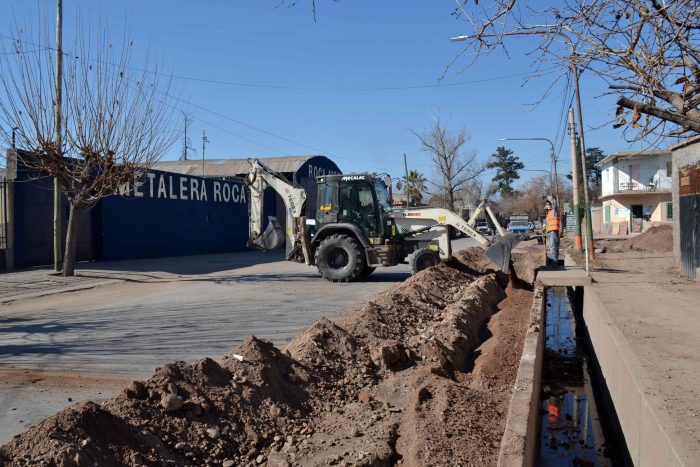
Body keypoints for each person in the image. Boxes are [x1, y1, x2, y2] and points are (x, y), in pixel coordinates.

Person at [544, 196, 560, 266]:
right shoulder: (549, 214)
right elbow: (547, 225)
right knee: (552, 247)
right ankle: (554, 262)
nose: (547, 205)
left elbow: (554, 202)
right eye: (546, 204)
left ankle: (554, 264)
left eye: (548, 204)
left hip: (554, 231)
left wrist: (548, 197)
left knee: (553, 247)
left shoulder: (554, 211)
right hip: (550, 232)